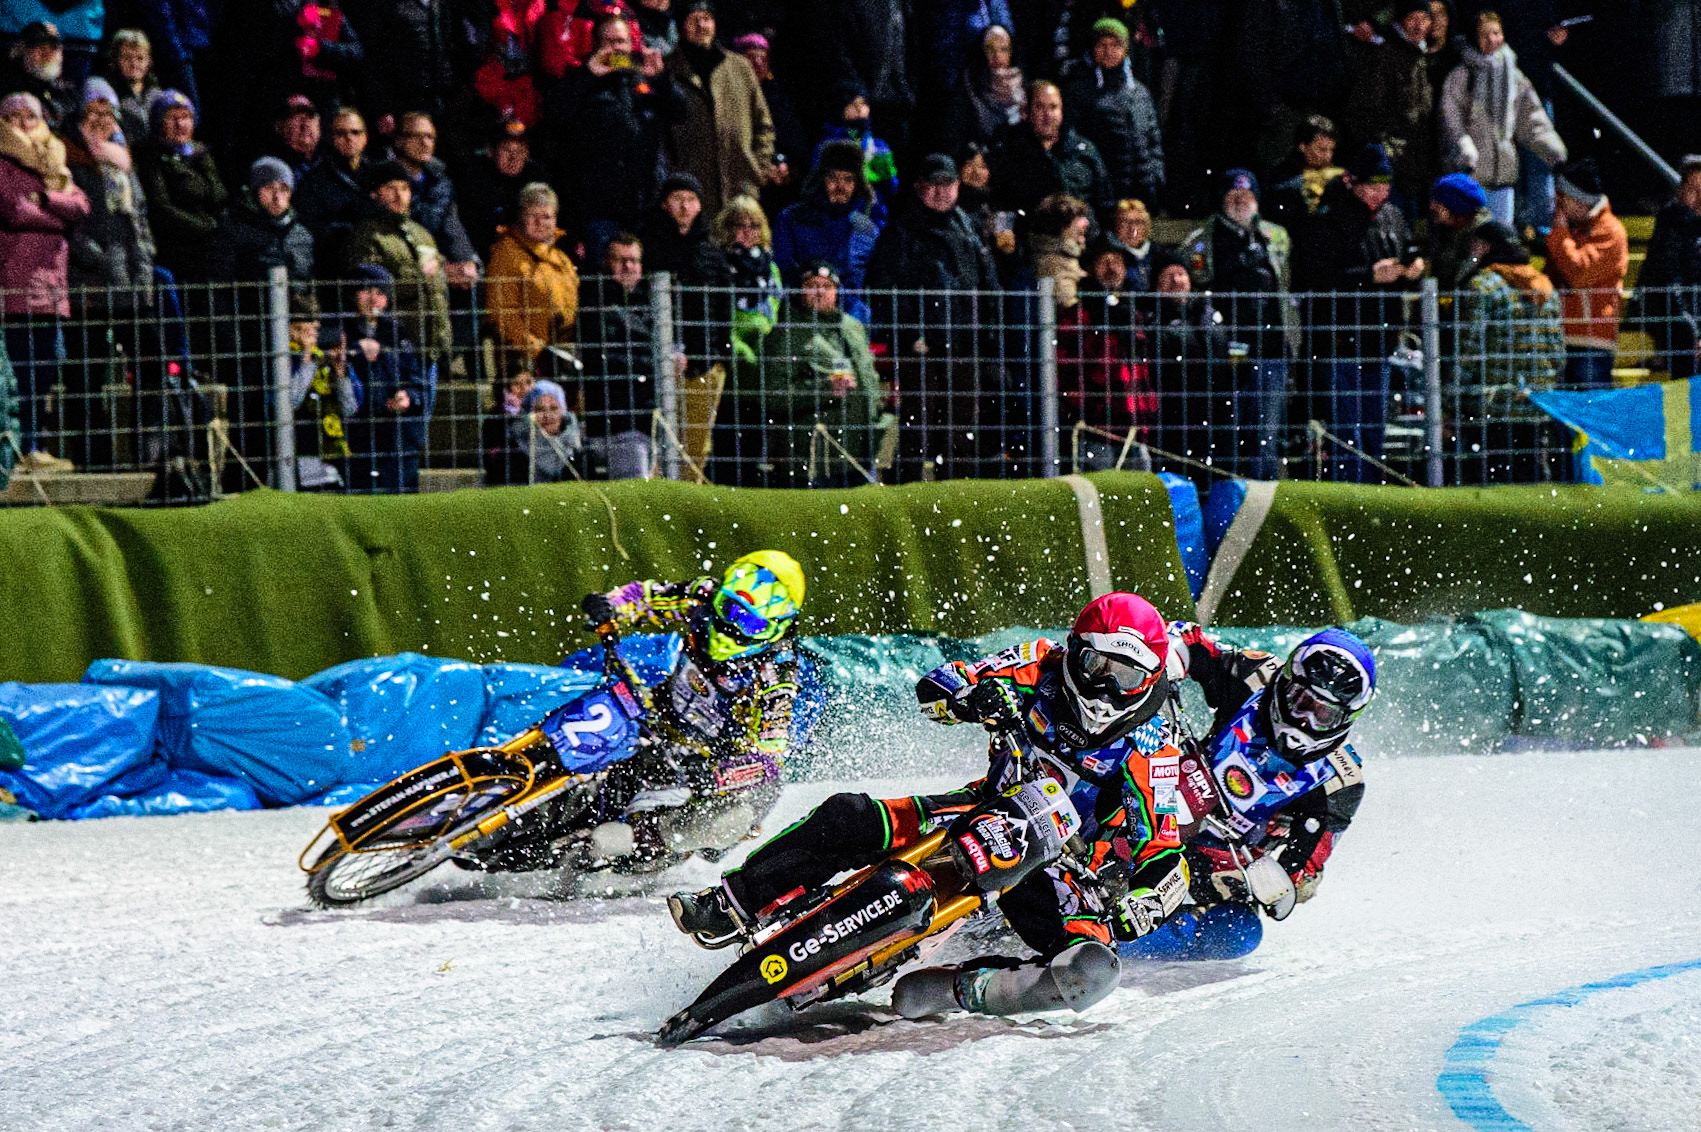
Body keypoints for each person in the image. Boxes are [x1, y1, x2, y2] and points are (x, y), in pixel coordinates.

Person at [668, 591, 1189, 1020]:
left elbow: (1165, 852)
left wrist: (1143, 902)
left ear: (1148, 679)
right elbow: (938, 683)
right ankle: (727, 905)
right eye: (1095, 664)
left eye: (1123, 675)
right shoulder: (1040, 663)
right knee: (847, 814)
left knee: (1092, 970)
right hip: (982, 806)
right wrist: (971, 697)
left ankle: (957, 989)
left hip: (1061, 868)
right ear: (1074, 650)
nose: (1103, 686)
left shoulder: (1154, 746)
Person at [1122, 625, 1373, 961]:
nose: (1305, 720)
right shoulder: (1256, 674)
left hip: (1215, 863)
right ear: (1286, 682)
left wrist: (1277, 883)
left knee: (1240, 932)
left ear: (1345, 719)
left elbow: (1303, 870)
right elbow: (1192, 643)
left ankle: (1124, 945)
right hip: (1159, 794)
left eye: (1323, 714)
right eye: (1301, 701)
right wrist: (1169, 657)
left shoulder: (1341, 781)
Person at [577, 551, 806, 866]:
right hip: (660, 717)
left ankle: (647, 836)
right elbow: (647, 598)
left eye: (749, 621)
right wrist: (611, 605)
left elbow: (770, 758)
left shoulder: (777, 675)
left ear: (775, 627)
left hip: (715, 760)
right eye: (729, 609)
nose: (731, 625)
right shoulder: (705, 597)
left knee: (738, 812)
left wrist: (717, 776)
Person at [865, 153, 999, 481]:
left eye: (947, 183)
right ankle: (911, 498)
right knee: (917, 430)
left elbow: (988, 284)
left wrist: (988, 332)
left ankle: (957, 500)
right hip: (920, 351)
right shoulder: (901, 232)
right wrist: (912, 335)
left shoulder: (969, 228)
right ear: (918, 187)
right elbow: (882, 288)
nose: (941, 191)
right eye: (933, 184)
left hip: (964, 345)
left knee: (960, 431)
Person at [1294, 143, 1423, 483]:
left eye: (1386, 183)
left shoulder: (1392, 215)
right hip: (1342, 341)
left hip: (1381, 340)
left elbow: (1411, 247)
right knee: (1346, 431)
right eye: (1373, 183)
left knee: (1373, 430)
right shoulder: (1327, 218)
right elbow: (1315, 279)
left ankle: (1372, 494)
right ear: (1353, 182)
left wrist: (1415, 266)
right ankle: (1349, 496)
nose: (1381, 191)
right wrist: (1369, 276)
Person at [63, 78, 158, 467]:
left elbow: (140, 220)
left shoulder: (123, 160)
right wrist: (97, 259)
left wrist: (146, 262)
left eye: (109, 111)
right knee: (87, 378)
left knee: (151, 367)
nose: (103, 119)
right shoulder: (68, 157)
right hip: (89, 284)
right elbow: (70, 221)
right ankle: (91, 458)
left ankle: (149, 452)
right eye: (95, 111)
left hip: (131, 284)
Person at [1180, 169, 1294, 481]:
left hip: (1271, 348)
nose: (1241, 200)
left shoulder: (1277, 235)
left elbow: (1288, 286)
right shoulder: (1202, 240)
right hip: (1226, 350)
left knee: (1266, 439)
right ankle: (1229, 503)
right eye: (1234, 195)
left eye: (1248, 194)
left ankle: (1265, 508)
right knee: (1228, 433)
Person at [0, 90, 89, 471]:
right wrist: (57, 213)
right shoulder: (3, 163)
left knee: (44, 372)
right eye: (15, 115)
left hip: (52, 290)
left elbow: (82, 206)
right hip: (16, 285)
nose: (23, 122)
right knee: (16, 374)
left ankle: (33, 446)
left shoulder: (56, 161)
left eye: (30, 115)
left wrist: (46, 201)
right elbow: (12, 210)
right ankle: (13, 449)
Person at [742, 259, 882, 487]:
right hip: (813, 460)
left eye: (827, 286)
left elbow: (870, 379)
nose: (820, 292)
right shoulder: (786, 333)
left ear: (837, 291)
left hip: (861, 455)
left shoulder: (853, 327)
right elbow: (772, 396)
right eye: (812, 285)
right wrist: (825, 390)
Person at [552, 13, 683, 246]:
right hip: (599, 211)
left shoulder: (646, 79)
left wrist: (662, 79)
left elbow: (681, 112)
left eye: (621, 41)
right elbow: (555, 114)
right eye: (609, 42)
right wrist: (587, 75)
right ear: (596, 46)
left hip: (645, 206)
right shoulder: (580, 80)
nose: (617, 48)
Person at [1456, 219, 1566, 482]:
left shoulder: (1483, 285)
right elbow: (1557, 353)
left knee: (1495, 474)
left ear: (1485, 247)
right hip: (1538, 400)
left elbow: (1469, 350)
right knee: (1531, 474)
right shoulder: (1543, 285)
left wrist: (1453, 400)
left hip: (1495, 401)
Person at [1438, 10, 1566, 229]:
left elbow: (1531, 116)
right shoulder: (1462, 74)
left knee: (1503, 237)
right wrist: (1464, 148)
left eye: (1496, 33)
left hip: (1503, 175)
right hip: (1471, 176)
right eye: (1485, 34)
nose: (1492, 40)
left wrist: (1551, 147)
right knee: (1474, 238)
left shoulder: (1513, 75)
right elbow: (1451, 118)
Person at [346, 160, 452, 388]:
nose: (399, 195)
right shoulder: (368, 235)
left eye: (404, 188)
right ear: (375, 194)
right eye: (391, 188)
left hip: (430, 348)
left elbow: (438, 286)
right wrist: (420, 279)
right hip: (395, 347)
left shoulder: (421, 233)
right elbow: (372, 291)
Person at [666, 1, 775, 221]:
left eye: (707, 18)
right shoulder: (669, 70)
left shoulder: (739, 68)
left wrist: (759, 167)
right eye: (694, 19)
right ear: (680, 26)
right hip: (690, 193)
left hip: (741, 187)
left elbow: (763, 124)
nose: (702, 25)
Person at [574, 232, 664, 478]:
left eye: (633, 260)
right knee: (633, 491)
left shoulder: (653, 302)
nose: (628, 267)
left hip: (648, 416)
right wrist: (653, 366)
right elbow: (603, 358)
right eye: (620, 260)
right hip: (617, 420)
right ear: (606, 264)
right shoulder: (594, 302)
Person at [340, 263, 426, 493]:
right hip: (356, 437)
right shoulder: (341, 332)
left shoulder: (399, 335)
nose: (373, 299)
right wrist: (355, 350)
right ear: (353, 295)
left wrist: (408, 397)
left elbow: (418, 383)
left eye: (380, 293)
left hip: (395, 439)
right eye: (366, 291)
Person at [1061, 18, 1164, 210]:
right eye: (1102, 44)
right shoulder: (1079, 90)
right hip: (1105, 193)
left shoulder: (1139, 91)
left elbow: (1153, 138)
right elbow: (1074, 141)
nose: (1109, 51)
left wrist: (1156, 176)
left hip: (1142, 191)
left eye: (1115, 45)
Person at [772, 139, 878, 325]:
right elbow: (784, 273)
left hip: (851, 321)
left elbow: (873, 284)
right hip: (801, 315)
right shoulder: (791, 219)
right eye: (833, 178)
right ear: (821, 180)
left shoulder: (867, 229)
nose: (840, 186)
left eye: (848, 179)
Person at [1344, 0, 1436, 212]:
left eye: (1424, 19)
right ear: (1401, 21)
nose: (1419, 25)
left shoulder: (1422, 57)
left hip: (1414, 166)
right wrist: (1383, 151)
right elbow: (1363, 110)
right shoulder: (1383, 54)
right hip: (1389, 167)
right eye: (1413, 19)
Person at [1544, 158, 1627, 391]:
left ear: (1578, 199)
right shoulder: (1570, 230)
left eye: (1562, 198)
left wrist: (1559, 233)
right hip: (1562, 336)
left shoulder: (1610, 231)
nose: (1557, 206)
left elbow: (1577, 274)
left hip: (1591, 340)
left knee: (1589, 413)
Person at [486, 182, 581, 373]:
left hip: (565, 359)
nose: (540, 223)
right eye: (533, 216)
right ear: (521, 216)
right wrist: (537, 350)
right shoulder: (506, 254)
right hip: (523, 362)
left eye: (546, 216)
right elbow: (502, 313)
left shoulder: (561, 258)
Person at [989, 80, 1111, 226]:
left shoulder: (1085, 151)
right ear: (1027, 112)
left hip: (1083, 238)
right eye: (1040, 107)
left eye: (1053, 107)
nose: (1047, 115)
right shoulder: (1010, 153)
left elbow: (1105, 202)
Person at [137, 89, 226, 282]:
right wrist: (204, 227)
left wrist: (202, 161)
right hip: (173, 250)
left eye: (185, 117)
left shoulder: (200, 154)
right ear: (159, 123)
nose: (180, 124)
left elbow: (218, 196)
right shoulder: (151, 158)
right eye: (172, 118)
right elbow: (161, 206)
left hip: (208, 251)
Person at [390, 112, 479, 289]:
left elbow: (452, 228)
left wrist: (469, 262)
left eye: (430, 137)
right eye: (417, 136)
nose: (425, 143)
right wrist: (441, 268)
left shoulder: (441, 183)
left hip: (436, 266)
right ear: (399, 141)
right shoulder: (386, 181)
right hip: (405, 270)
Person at [1633, 156, 1701, 382]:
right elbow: (1671, 284)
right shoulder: (1672, 223)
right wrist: (1696, 335)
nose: (1700, 198)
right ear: (1681, 190)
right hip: (1680, 329)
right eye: (1694, 189)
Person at [286, 295, 361, 490]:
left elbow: (350, 409)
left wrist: (340, 372)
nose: (313, 330)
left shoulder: (327, 363)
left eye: (315, 326)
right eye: (304, 325)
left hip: (330, 464)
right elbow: (290, 402)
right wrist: (305, 359)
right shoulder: (282, 361)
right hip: (296, 464)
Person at [209, 157, 316, 284]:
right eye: (269, 188)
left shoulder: (302, 234)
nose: (277, 197)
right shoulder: (233, 231)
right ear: (255, 191)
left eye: (283, 189)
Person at [456, 119, 549, 260]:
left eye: (520, 150)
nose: (514, 157)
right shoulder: (473, 181)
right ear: (490, 152)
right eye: (507, 149)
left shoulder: (537, 180)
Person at [294, 106, 368, 275]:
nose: (349, 138)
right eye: (341, 133)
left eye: (355, 132)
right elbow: (309, 227)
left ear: (365, 138)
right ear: (329, 138)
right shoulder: (313, 181)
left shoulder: (378, 176)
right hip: (334, 268)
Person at [813, 83, 896, 230]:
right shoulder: (828, 145)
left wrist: (885, 175)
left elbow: (891, 189)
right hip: (834, 221)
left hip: (873, 221)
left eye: (863, 103)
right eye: (852, 103)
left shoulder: (878, 146)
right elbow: (817, 183)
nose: (859, 108)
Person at [714, 195, 783, 365]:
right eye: (740, 226)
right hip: (733, 337)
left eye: (754, 226)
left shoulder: (770, 267)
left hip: (765, 336)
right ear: (728, 228)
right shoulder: (720, 263)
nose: (748, 232)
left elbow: (777, 305)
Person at [950, 24, 1024, 152]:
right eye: (991, 49)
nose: (997, 57)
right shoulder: (968, 86)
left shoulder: (1023, 87)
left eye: (1004, 49)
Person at [1264, 114, 1342, 230]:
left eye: (1331, 150)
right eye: (1321, 150)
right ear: (1303, 146)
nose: (1328, 156)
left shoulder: (1334, 175)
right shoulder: (1279, 175)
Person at [2, 22, 75, 132]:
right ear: (21, 49)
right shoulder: (7, 85)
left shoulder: (68, 89)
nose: (46, 51)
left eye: (52, 45)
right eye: (37, 45)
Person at [1428, 171, 1492, 289]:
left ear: (1455, 206)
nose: (1432, 206)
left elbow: (1460, 280)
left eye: (1438, 203)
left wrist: (1473, 259)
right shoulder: (1447, 230)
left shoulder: (1485, 235)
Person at [103, 28, 158, 144]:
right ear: (115, 60)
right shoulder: (108, 94)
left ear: (149, 62)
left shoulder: (158, 95)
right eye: (127, 58)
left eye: (140, 58)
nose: (134, 64)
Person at [1109, 197, 1155, 291]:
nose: (1132, 228)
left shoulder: (1160, 254)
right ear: (1116, 225)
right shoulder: (1111, 256)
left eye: (1138, 222)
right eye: (1125, 222)